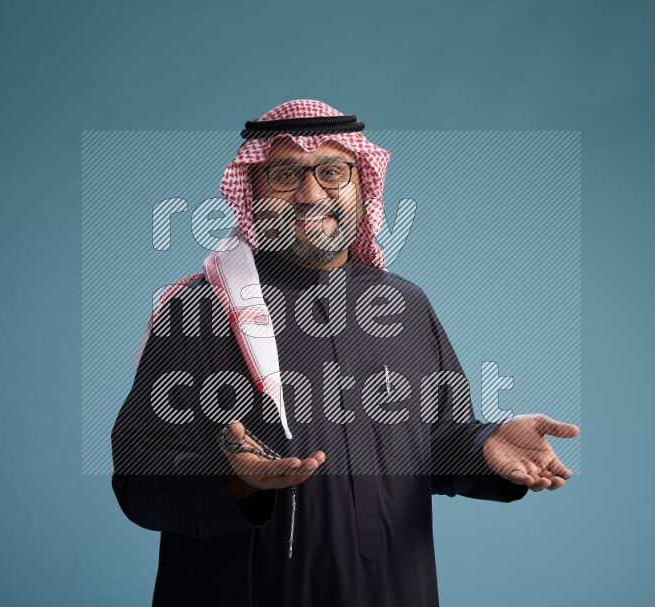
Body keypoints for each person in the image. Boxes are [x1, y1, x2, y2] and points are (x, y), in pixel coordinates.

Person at [110, 99, 580, 606]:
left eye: (332, 171)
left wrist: (487, 447)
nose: (312, 194)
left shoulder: (405, 304)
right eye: (285, 175)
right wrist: (236, 483)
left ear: (362, 184)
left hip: (394, 589)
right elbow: (138, 475)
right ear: (253, 190)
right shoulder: (203, 309)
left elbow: (438, 444)